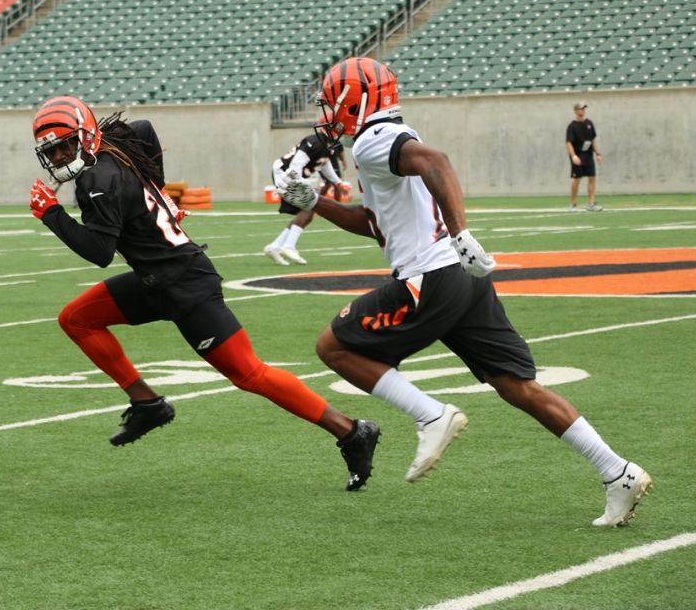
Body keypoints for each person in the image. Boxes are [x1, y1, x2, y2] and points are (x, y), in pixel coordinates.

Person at [278, 59, 652, 526]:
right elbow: (375, 224)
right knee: (517, 386)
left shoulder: (374, 140)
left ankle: (430, 415)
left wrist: (460, 231)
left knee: (332, 347)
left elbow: (438, 162)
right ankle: (616, 471)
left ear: (357, 97)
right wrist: (314, 200)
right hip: (459, 280)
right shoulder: (384, 138)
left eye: (334, 100)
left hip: (429, 276)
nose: (329, 111)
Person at [27, 96, 379, 490]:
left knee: (248, 373)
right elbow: (143, 128)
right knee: (77, 319)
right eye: (52, 150)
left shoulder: (97, 182)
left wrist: (51, 214)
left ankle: (351, 431)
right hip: (155, 278)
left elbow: (99, 253)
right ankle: (147, 403)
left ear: (87, 135)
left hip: (184, 284)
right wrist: (157, 190)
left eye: (66, 145)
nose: (60, 155)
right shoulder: (114, 141)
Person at [264, 133, 351, 265]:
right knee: (311, 206)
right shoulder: (315, 141)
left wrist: (338, 182)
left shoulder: (328, 144)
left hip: (291, 174)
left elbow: (324, 165)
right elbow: (296, 163)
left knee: (308, 210)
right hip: (285, 173)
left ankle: (276, 246)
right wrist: (299, 183)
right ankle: (288, 246)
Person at [566, 101, 603, 211]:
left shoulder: (589, 123)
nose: (583, 110)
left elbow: (593, 140)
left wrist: (598, 154)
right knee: (576, 179)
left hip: (588, 155)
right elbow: (568, 143)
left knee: (592, 177)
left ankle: (591, 204)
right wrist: (573, 156)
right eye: (581, 109)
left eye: (584, 108)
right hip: (577, 155)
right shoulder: (572, 126)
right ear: (576, 111)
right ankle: (573, 204)